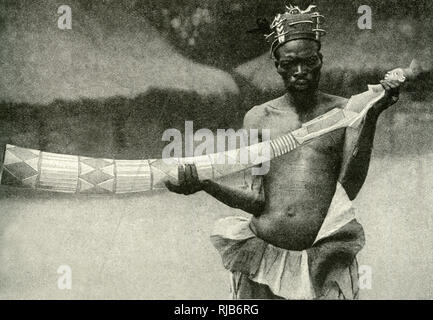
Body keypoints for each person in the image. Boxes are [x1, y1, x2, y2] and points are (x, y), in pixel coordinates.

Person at [165, 5, 401, 299]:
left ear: (320, 61)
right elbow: (258, 199)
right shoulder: (258, 118)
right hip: (262, 258)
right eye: (290, 63)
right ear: (277, 64)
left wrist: (372, 117)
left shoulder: (345, 113)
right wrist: (205, 185)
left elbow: (349, 189)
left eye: (308, 61)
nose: (300, 71)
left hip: (322, 259)